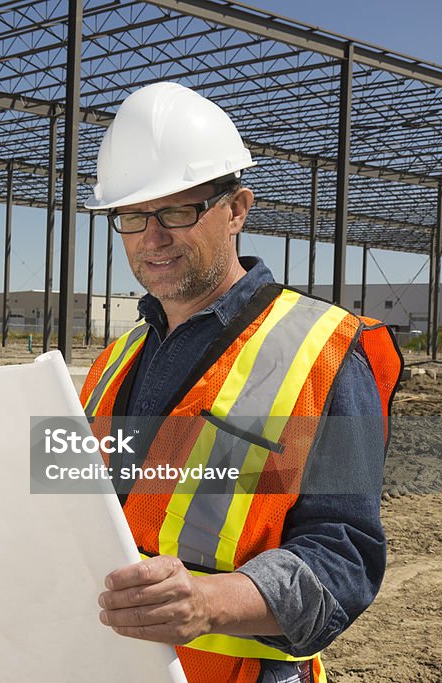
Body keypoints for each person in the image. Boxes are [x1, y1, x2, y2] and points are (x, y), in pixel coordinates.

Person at [79, 82, 402, 683]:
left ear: (237, 209)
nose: (153, 238)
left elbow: (345, 560)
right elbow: (63, 499)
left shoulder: (325, 351)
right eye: (131, 216)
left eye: (178, 210)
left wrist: (206, 603)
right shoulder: (111, 363)